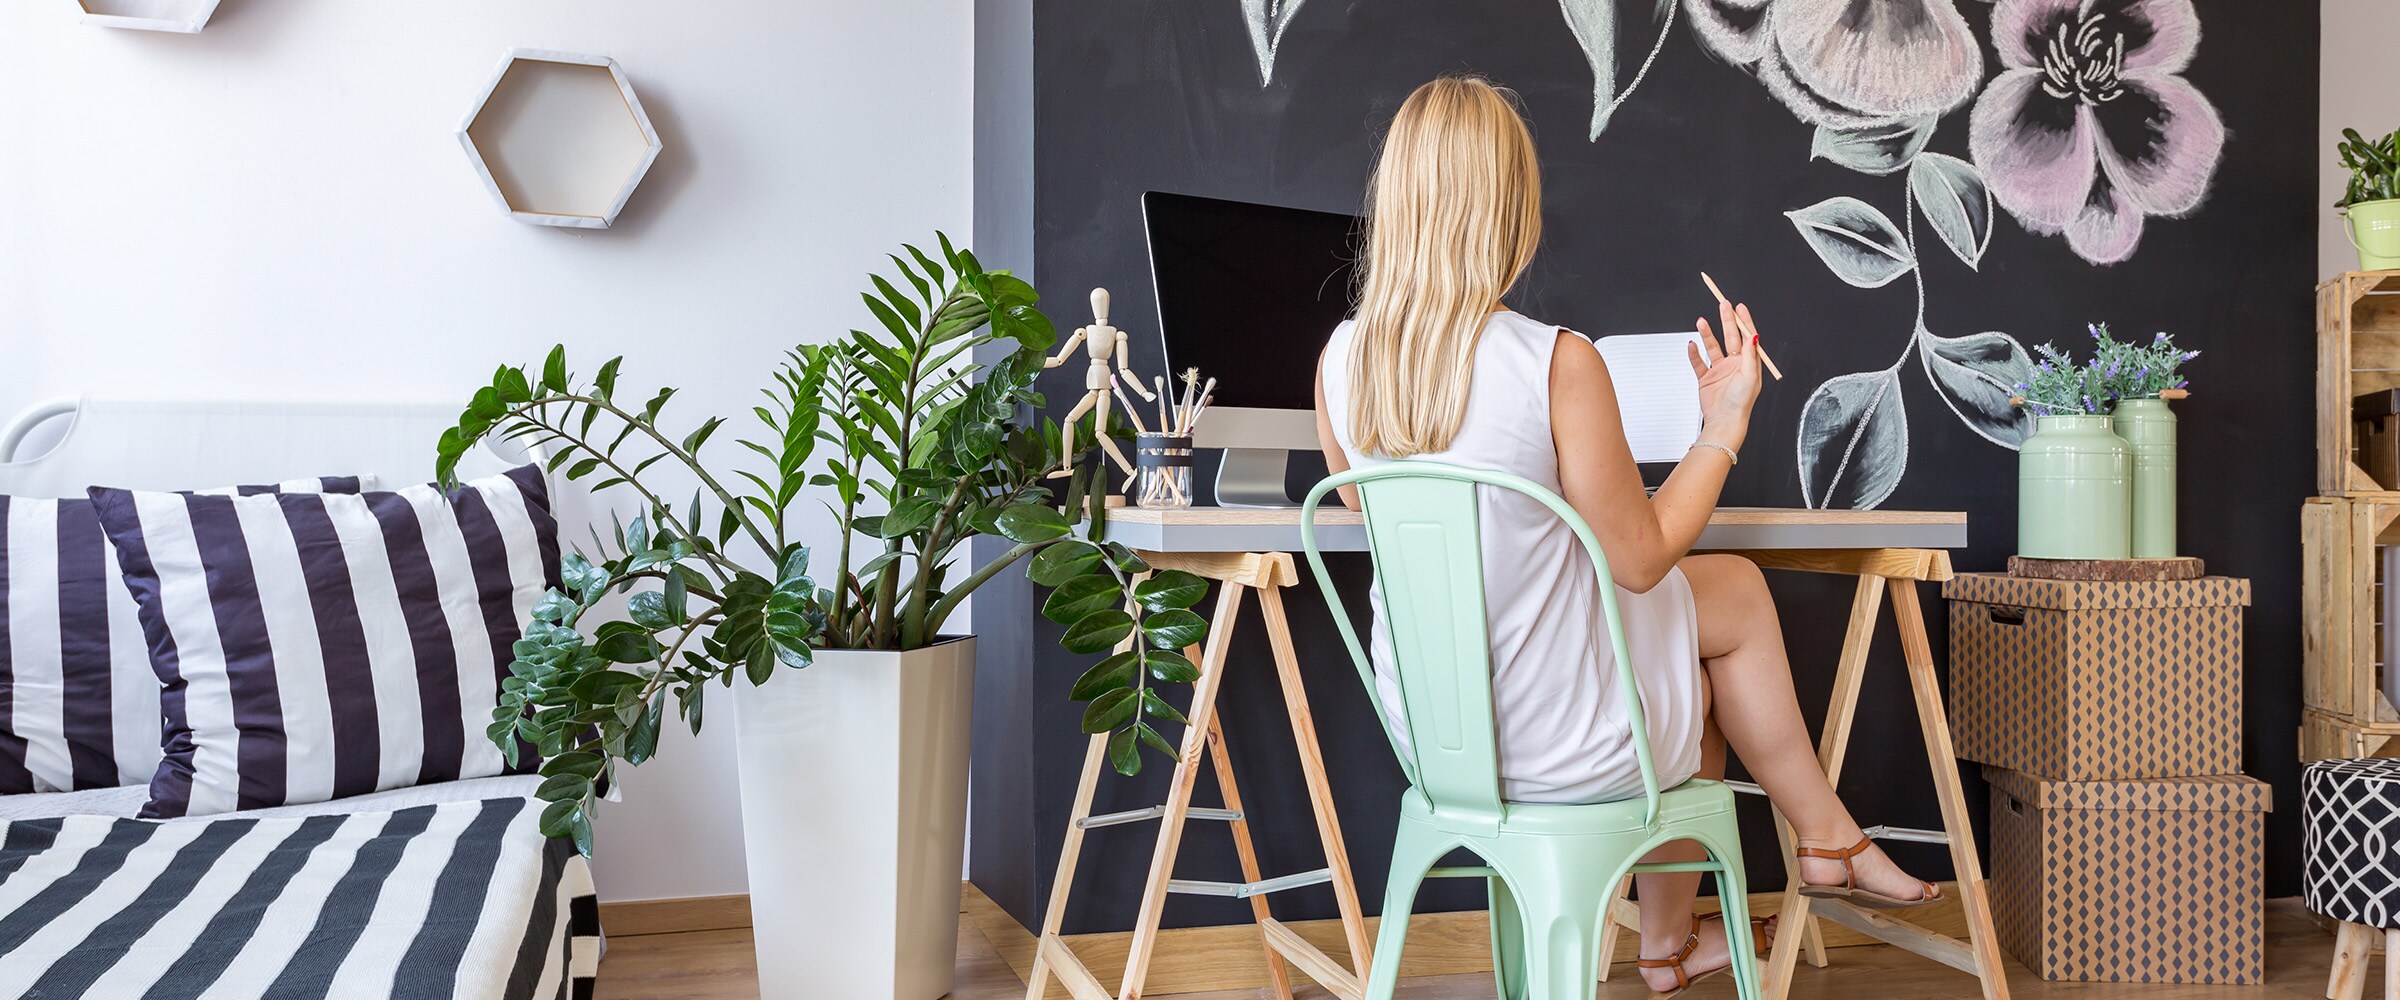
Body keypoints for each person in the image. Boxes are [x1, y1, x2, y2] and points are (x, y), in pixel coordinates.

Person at [1313, 75, 1940, 996]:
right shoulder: (1555, 359)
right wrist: (1721, 426)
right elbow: (1642, 561)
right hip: (1556, 745)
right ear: (1511, 209)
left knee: (1687, 651)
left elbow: (1378, 521)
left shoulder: (1337, 358)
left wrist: (1539, 531)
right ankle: (1821, 842)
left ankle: (1683, 937)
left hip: (1438, 739)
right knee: (1722, 605)